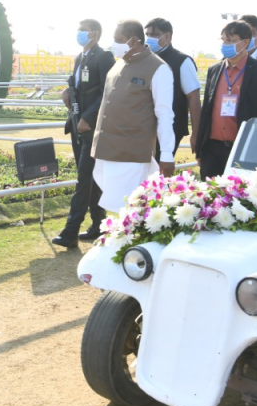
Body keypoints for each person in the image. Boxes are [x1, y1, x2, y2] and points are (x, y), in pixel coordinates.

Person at [60, 20, 175, 248]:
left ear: (133, 40)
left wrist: (168, 155)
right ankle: (121, 245)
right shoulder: (118, 64)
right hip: (105, 148)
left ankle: (136, 252)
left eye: (118, 39)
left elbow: (164, 114)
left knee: (132, 207)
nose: (114, 44)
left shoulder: (158, 68)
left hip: (133, 151)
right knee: (118, 205)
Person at [53, 19, 116, 248]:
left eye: (83, 30)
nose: (79, 33)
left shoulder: (104, 56)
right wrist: (68, 91)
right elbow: (80, 86)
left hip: (93, 126)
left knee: (83, 177)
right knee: (91, 178)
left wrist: (89, 117)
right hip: (78, 123)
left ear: (95, 34)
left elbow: (107, 91)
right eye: (78, 29)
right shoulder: (80, 57)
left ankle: (71, 231)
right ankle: (99, 224)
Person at [191, 21, 257, 179]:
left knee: (243, 198)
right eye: (223, 39)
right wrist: (200, 148)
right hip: (213, 149)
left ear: (245, 42)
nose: (225, 44)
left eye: (231, 40)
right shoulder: (215, 70)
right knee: (211, 198)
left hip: (247, 150)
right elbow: (207, 110)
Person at [144, 18, 201, 158]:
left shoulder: (182, 61)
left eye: (155, 35)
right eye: (147, 35)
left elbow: (193, 97)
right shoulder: (144, 59)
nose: (149, 39)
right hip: (145, 126)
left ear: (167, 36)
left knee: (158, 172)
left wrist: (196, 133)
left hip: (170, 127)